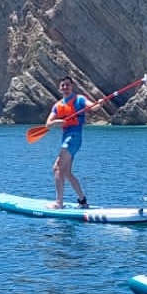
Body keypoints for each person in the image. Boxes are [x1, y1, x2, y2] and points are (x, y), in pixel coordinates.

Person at [45, 75, 103, 209]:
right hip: (66, 138)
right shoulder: (57, 106)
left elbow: (93, 107)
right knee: (65, 172)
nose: (65, 87)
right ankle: (83, 201)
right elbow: (48, 124)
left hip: (74, 137)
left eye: (67, 85)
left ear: (72, 86)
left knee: (57, 167)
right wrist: (56, 122)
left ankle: (59, 203)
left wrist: (99, 103)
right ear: (60, 88)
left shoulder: (80, 99)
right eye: (63, 85)